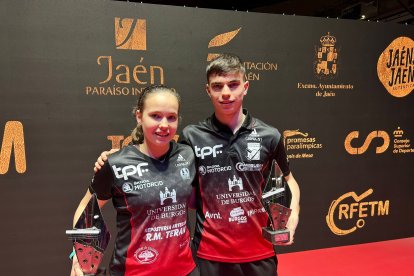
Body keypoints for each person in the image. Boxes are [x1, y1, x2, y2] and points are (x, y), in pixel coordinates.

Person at [95, 54, 300, 276]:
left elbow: (288, 181)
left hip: (260, 252)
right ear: (208, 90)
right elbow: (157, 155)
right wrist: (116, 158)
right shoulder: (191, 137)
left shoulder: (270, 136)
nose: (226, 93)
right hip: (208, 255)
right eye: (218, 86)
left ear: (246, 87)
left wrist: (294, 214)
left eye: (233, 84)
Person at [71, 85, 199, 276]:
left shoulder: (188, 155)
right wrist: (80, 257)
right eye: (155, 115)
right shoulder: (116, 163)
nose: (164, 124)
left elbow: (196, 201)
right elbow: (86, 207)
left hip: (185, 271)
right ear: (139, 116)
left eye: (171, 117)